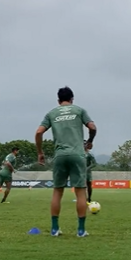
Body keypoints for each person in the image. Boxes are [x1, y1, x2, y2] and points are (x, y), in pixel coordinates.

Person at [35, 86, 97, 237]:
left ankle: (55, 229)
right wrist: (89, 141)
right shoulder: (79, 110)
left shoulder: (51, 113)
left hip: (60, 155)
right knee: (80, 192)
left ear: (58, 100)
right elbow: (93, 127)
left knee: (57, 191)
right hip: (77, 154)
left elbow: (38, 132)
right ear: (72, 99)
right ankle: (81, 231)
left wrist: (40, 152)